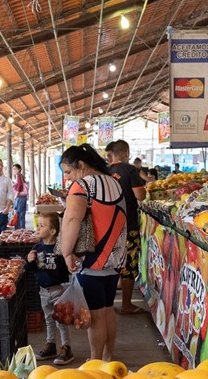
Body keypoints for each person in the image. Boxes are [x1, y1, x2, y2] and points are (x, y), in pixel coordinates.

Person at [60, 144, 126, 362]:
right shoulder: (114, 182)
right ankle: (108, 356)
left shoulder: (82, 186)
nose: (67, 178)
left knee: (96, 315)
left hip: (92, 259)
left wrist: (66, 251)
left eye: (68, 172)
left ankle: (95, 362)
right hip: (115, 259)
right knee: (108, 310)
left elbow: (72, 220)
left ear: (81, 165)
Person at [104, 140, 146, 315]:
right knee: (129, 264)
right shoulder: (129, 170)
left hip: (108, 225)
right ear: (127, 152)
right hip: (128, 225)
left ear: (112, 154)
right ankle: (127, 305)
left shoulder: (105, 171)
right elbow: (140, 196)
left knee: (111, 262)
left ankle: (107, 303)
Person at [26, 213, 73, 365]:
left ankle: (66, 347)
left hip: (59, 289)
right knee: (48, 319)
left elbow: (67, 268)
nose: (37, 228)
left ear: (53, 231)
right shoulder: (36, 247)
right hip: (43, 290)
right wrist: (29, 261)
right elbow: (30, 269)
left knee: (61, 320)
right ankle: (50, 344)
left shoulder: (60, 247)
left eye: (42, 225)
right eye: (37, 225)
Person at [11, 163, 29, 230]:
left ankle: (19, 230)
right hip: (22, 198)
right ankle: (22, 230)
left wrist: (15, 196)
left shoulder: (18, 176)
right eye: (13, 169)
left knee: (19, 215)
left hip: (20, 198)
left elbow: (19, 186)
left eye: (15, 169)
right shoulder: (20, 176)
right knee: (21, 214)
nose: (14, 170)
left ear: (19, 169)